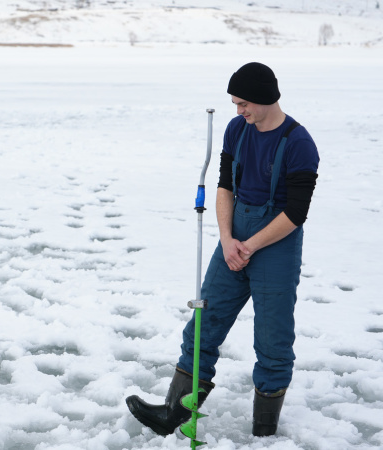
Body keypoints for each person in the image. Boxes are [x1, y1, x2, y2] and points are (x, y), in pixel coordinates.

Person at [126, 62, 319, 437]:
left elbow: (296, 212)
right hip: (234, 235)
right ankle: (174, 411)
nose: (239, 111)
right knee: (204, 323)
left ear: (266, 99)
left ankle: (264, 429)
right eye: (234, 103)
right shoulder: (236, 130)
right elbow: (224, 185)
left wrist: (250, 245)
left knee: (272, 340)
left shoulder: (298, 143)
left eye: (244, 103)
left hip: (276, 242)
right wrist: (228, 239)